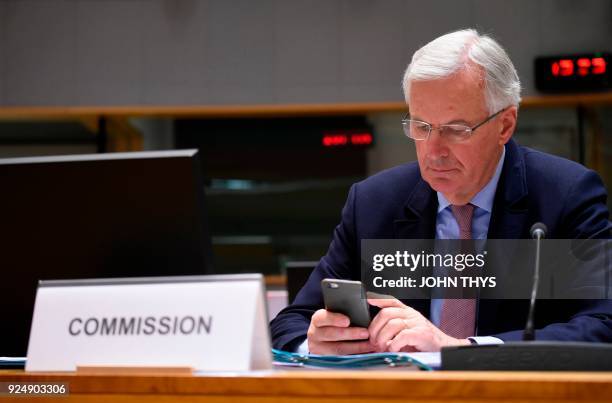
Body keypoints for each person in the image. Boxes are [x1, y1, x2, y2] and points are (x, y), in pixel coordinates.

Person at [270, 29, 612, 354]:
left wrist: (465, 350)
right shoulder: (375, 203)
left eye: (456, 129)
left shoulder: (565, 196)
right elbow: (291, 324)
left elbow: (603, 325)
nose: (433, 151)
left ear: (505, 125)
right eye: (421, 126)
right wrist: (317, 342)